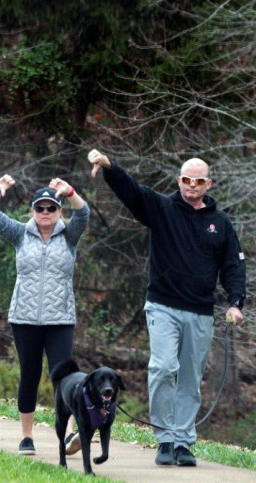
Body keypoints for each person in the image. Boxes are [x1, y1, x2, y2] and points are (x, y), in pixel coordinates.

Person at [88, 149, 246, 467]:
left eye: (198, 180)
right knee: (163, 368)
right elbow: (133, 192)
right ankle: (165, 439)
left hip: (200, 312)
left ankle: (183, 443)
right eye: (186, 179)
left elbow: (233, 265)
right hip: (163, 306)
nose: (191, 185)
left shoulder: (220, 223)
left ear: (208, 184)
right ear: (179, 180)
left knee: (189, 378)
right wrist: (110, 167)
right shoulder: (162, 208)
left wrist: (236, 303)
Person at [0, 174, 89, 457]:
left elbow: (84, 212)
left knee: (63, 378)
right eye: (40, 208)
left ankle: (67, 436)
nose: (45, 213)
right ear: (32, 211)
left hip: (60, 320)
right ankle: (27, 437)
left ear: (59, 211)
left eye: (51, 208)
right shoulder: (20, 234)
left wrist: (69, 192)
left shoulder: (69, 235)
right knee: (29, 374)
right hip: (24, 318)